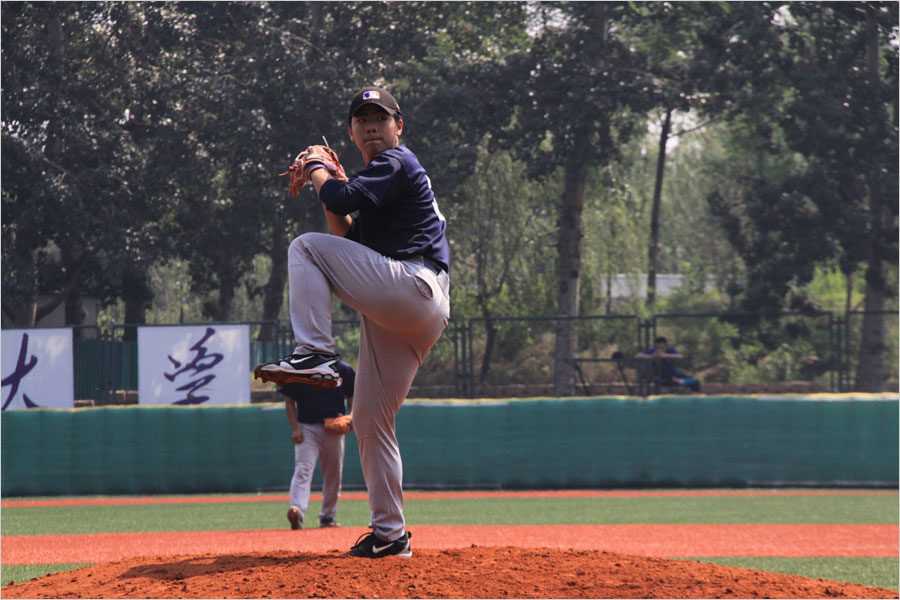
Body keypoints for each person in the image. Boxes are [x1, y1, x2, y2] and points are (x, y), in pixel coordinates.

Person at [254, 86, 450, 559]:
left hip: (412, 284)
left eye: (379, 118)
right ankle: (390, 536)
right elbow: (345, 233)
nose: (370, 126)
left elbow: (340, 199)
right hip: (411, 309)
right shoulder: (380, 183)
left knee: (303, 247)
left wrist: (318, 168)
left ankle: (317, 354)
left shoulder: (398, 161)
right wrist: (330, 193)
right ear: (351, 131)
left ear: (398, 126)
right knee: (369, 421)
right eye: (361, 120)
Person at [281, 359, 355, 530]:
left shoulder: (342, 369)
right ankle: (297, 511)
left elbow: (353, 395)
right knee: (303, 469)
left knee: (333, 474)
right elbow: (289, 402)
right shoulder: (299, 370)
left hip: (334, 426)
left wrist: (351, 417)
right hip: (307, 427)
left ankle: (328, 516)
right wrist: (295, 428)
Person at [635, 336, 701, 392]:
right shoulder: (653, 351)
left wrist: (665, 355)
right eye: (658, 347)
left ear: (666, 346)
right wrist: (652, 356)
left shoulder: (670, 351)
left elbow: (680, 356)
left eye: (662, 347)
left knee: (694, 381)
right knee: (657, 364)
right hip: (661, 377)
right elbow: (638, 355)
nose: (659, 349)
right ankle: (676, 380)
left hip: (674, 374)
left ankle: (695, 395)